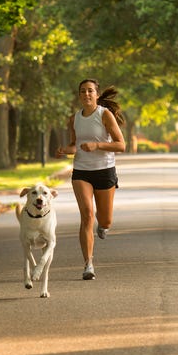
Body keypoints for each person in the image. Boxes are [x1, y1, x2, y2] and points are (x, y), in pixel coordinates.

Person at [55, 78, 126, 280]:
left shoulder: (105, 115)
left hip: (104, 170)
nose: (86, 94)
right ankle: (88, 264)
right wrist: (65, 150)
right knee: (87, 215)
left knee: (104, 219)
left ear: (96, 94)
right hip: (81, 171)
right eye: (82, 91)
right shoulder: (74, 118)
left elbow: (121, 145)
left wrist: (98, 146)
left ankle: (103, 226)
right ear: (79, 95)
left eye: (90, 91)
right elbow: (75, 145)